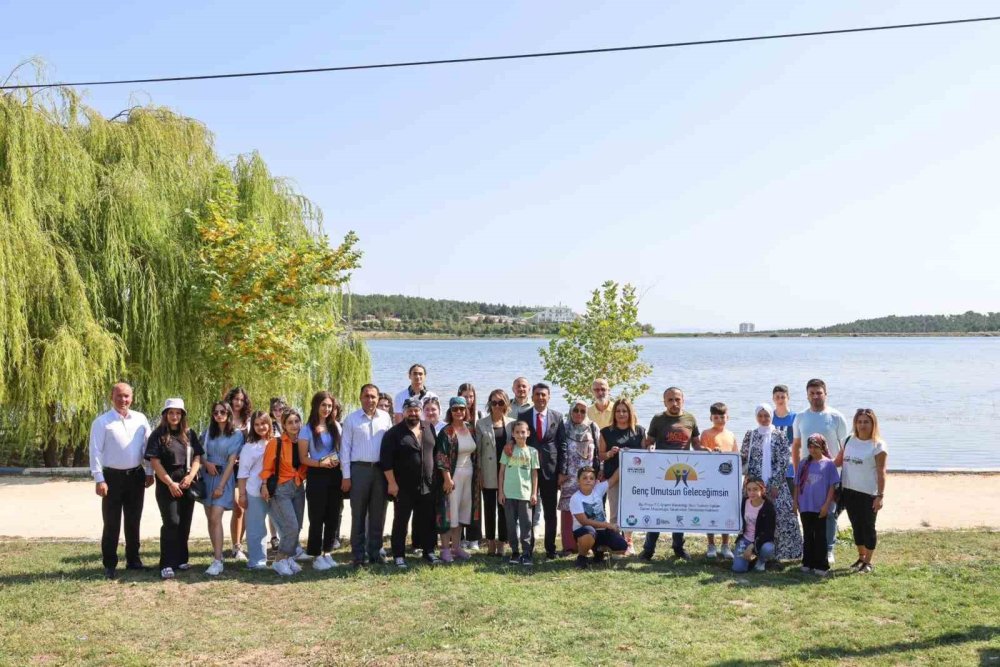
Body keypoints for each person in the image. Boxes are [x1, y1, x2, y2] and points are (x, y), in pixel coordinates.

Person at [89, 382, 153, 579]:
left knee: (134, 521)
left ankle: (133, 560)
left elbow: (148, 448)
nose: (123, 400)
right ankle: (110, 564)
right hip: (112, 478)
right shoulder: (102, 422)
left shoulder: (141, 419)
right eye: (119, 396)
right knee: (111, 523)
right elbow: (95, 451)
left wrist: (149, 471)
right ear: (111, 397)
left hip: (136, 476)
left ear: (132, 397)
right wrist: (99, 479)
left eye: (126, 396)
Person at [792, 379, 848, 564]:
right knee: (809, 512)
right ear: (807, 395)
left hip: (829, 473)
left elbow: (844, 447)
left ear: (825, 393)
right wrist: (797, 470)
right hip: (807, 474)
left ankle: (829, 549)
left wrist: (831, 465)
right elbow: (797, 446)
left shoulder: (836, 417)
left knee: (829, 512)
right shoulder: (800, 417)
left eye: (819, 393)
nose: (816, 396)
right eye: (812, 393)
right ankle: (811, 550)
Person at [146, 398, 202, 579]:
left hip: (187, 483)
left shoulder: (190, 434)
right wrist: (170, 483)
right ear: (165, 415)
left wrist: (190, 477)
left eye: (178, 413)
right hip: (166, 485)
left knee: (185, 522)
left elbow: (197, 458)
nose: (175, 416)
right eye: (171, 412)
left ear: (183, 415)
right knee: (172, 522)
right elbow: (155, 461)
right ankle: (166, 563)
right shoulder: (158, 435)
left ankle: (181, 559)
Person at [640, 387, 699, 561]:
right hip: (661, 474)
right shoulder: (658, 419)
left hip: (682, 473)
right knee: (657, 510)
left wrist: (711, 452)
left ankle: (678, 547)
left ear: (683, 400)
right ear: (664, 401)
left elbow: (697, 444)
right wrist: (646, 447)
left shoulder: (690, 419)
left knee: (679, 510)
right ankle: (649, 549)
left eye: (677, 399)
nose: (674, 403)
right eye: (670, 400)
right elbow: (648, 442)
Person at [380, 397, 441, 567]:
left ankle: (429, 551)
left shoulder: (428, 427)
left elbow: (434, 453)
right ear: (404, 411)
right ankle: (399, 555)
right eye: (409, 410)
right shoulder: (393, 433)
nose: (413, 413)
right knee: (401, 521)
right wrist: (392, 483)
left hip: (427, 485)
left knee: (428, 520)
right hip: (403, 486)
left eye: (416, 410)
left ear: (420, 411)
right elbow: (386, 461)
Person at [741, 404, 802, 561]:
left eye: (766, 415)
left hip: (776, 485)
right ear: (756, 417)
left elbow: (783, 460)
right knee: (753, 518)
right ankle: (753, 551)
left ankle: (783, 554)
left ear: (771, 416)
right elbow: (744, 457)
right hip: (754, 487)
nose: (763, 419)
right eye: (760, 416)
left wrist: (774, 484)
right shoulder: (751, 434)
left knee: (783, 517)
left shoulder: (779, 436)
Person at [341, 383, 394, 566]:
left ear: (378, 398)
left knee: (378, 514)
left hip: (380, 471)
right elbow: (345, 449)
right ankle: (358, 555)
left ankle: (375, 553)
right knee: (358, 514)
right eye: (366, 396)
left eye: (373, 396)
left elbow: (389, 448)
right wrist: (346, 476)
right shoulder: (351, 420)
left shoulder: (386, 418)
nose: (370, 400)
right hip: (358, 471)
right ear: (360, 398)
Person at [835, 408, 888, 574]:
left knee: (868, 527)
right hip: (849, 491)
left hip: (868, 493)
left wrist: (880, 496)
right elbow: (836, 462)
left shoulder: (878, 445)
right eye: (859, 422)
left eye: (866, 422)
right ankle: (861, 556)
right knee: (856, 525)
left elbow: (881, 472)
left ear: (873, 424)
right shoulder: (848, 440)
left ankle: (868, 562)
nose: (862, 425)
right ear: (855, 424)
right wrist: (813, 461)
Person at [260, 408, 308, 576]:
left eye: (297, 421)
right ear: (284, 425)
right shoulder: (276, 443)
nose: (294, 425)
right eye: (290, 422)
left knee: (298, 525)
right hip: (281, 488)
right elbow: (267, 466)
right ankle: (279, 559)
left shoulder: (303, 442)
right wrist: (264, 485)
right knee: (291, 526)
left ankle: (288, 558)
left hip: (298, 487)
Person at [299, 391, 343, 571]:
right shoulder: (306, 429)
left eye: (330, 406)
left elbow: (342, 450)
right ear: (316, 406)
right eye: (323, 405)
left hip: (335, 475)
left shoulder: (336, 427)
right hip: (317, 475)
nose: (326, 409)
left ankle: (328, 552)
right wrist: (319, 462)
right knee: (317, 516)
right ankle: (316, 555)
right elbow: (303, 458)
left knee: (333, 515)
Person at [434, 397, 482, 562]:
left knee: (462, 512)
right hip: (453, 476)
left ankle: (456, 547)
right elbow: (441, 457)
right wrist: (447, 478)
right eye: (455, 409)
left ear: (466, 411)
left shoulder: (471, 429)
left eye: (462, 409)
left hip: (469, 476)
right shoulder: (446, 432)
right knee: (449, 513)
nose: (459, 412)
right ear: (450, 411)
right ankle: (445, 549)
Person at [201, 401, 245, 576]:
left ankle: (218, 561)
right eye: (215, 412)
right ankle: (217, 554)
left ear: (228, 414)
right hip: (207, 476)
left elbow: (231, 461)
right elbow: (200, 453)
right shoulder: (207, 433)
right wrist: (206, 463)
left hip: (223, 478)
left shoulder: (236, 435)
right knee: (211, 520)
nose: (219, 415)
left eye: (222, 412)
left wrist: (221, 485)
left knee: (215, 516)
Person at [522, 383, 565, 560]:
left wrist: (562, 471)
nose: (540, 398)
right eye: (537, 394)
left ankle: (550, 548)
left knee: (550, 512)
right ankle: (527, 548)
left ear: (549, 397)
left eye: (543, 395)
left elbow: (562, 444)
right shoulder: (523, 415)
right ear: (532, 397)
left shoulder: (557, 416)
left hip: (551, 470)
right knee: (528, 510)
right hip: (528, 469)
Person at [598, 398, 645, 554]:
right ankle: (615, 543)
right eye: (618, 411)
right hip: (613, 477)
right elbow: (600, 456)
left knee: (631, 509)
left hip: (634, 478)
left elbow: (645, 454)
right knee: (614, 511)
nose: (621, 413)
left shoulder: (639, 431)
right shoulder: (606, 431)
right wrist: (610, 453)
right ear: (614, 413)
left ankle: (629, 541)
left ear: (630, 412)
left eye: (624, 410)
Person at [558, 399, 601, 555]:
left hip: (588, 476)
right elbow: (560, 450)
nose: (579, 414)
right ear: (570, 411)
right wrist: (561, 472)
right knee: (568, 510)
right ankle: (569, 546)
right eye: (576, 410)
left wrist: (598, 471)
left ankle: (586, 545)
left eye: (583, 411)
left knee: (588, 509)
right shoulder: (564, 427)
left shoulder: (592, 427)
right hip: (569, 475)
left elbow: (597, 451)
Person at [474, 389, 514, 557]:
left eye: (500, 402)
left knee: (504, 508)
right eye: (494, 402)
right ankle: (490, 541)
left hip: (507, 471)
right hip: (488, 471)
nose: (497, 405)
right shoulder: (481, 424)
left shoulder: (513, 423)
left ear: (506, 404)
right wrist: (479, 473)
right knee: (489, 508)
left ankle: (502, 543)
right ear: (489, 404)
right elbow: (478, 452)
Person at [795, 434, 840, 576]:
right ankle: (808, 562)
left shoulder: (828, 464)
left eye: (816, 447)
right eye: (810, 447)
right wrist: (795, 502)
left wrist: (827, 505)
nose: (813, 450)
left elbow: (832, 487)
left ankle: (821, 565)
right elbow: (797, 484)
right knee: (808, 534)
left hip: (820, 506)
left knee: (820, 535)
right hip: (805, 505)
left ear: (822, 447)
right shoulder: (803, 463)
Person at [700, 402, 738, 559]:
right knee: (710, 510)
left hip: (726, 480)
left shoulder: (731, 435)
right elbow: (700, 450)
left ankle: (725, 544)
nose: (719, 419)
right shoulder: (706, 433)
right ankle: (710, 544)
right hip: (710, 479)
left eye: (722, 416)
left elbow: (736, 455)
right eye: (716, 417)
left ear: (727, 417)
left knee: (726, 511)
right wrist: (709, 451)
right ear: (711, 418)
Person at [498, 420, 539, 566]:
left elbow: (534, 474)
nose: (520, 435)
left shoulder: (533, 452)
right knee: (510, 524)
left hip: (525, 495)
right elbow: (501, 472)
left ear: (528, 433)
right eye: (517, 432)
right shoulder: (508, 451)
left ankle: (526, 553)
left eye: (523, 432)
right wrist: (501, 492)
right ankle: (515, 552)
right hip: (509, 494)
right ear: (513, 434)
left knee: (526, 524)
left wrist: (534, 493)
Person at [570, 466, 627, 569]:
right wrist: (607, 524)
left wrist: (624, 456)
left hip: (602, 530)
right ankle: (582, 557)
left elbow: (614, 478)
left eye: (591, 478)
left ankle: (598, 550)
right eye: (585, 478)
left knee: (622, 547)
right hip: (584, 531)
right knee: (589, 531)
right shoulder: (575, 498)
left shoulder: (598, 489)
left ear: (595, 481)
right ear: (578, 480)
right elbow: (584, 521)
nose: (588, 480)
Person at [237, 410, 273, 570]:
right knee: (256, 527)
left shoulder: (276, 442)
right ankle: (257, 561)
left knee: (283, 524)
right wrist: (242, 495)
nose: (260, 427)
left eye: (263, 423)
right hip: (253, 491)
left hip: (275, 491)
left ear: (269, 424)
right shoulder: (249, 447)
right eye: (257, 424)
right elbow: (243, 473)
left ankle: (286, 557)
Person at [224, 386, 252, 562]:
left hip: (245, 469)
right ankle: (236, 544)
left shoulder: (248, 420)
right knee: (236, 506)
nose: (238, 403)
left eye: (242, 400)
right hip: (227, 468)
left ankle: (237, 546)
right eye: (236, 399)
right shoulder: (223, 418)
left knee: (243, 507)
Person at [732, 478, 777, 573]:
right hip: (745, 540)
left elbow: (768, 533)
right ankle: (747, 561)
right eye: (749, 489)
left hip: (761, 541)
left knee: (768, 548)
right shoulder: (744, 502)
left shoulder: (768, 507)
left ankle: (761, 561)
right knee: (738, 569)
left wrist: (752, 546)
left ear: (762, 490)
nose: (751, 492)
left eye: (755, 489)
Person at [457, 382, 483, 551]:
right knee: (459, 501)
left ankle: (474, 537)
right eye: (465, 396)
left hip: (475, 464)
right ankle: (459, 537)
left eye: (471, 396)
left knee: (474, 501)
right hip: (459, 465)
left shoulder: (478, 416)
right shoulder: (455, 415)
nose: (468, 399)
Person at [266, 396, 286, 548]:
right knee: (273, 505)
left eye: (281, 409)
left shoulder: (290, 423)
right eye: (275, 410)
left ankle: (286, 535)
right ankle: (274, 537)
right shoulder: (270, 426)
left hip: (287, 470)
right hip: (273, 470)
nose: (278, 412)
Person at [771, 385, 797, 500]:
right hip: (773, 469)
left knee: (793, 505)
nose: (780, 400)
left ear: (788, 398)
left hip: (791, 470)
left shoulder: (795, 417)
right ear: (773, 399)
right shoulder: (769, 417)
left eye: (783, 397)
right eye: (777, 397)